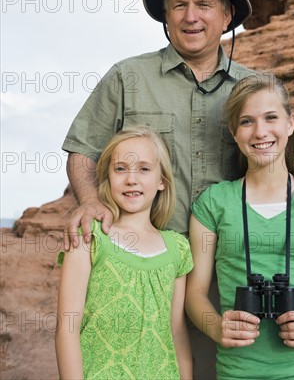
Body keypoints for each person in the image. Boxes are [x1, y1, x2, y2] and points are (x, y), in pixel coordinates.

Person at [62, 0, 294, 378]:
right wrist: (87, 200)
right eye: (178, 6)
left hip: (231, 266)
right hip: (152, 264)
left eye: (204, 5)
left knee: (223, 366)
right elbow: (82, 151)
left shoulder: (252, 88)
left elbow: (271, 148)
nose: (190, 16)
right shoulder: (127, 77)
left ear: (227, 15)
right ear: (165, 15)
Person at [186, 71, 294, 380]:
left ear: (290, 123)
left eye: (271, 118)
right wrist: (217, 327)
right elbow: (195, 294)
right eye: (247, 121)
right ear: (233, 130)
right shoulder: (213, 203)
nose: (260, 132)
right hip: (241, 371)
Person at [56, 125, 193, 379]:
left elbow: (176, 331)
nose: (132, 179)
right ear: (107, 177)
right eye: (120, 169)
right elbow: (67, 329)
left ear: (162, 180)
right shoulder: (89, 238)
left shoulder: (178, 249)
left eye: (144, 169)